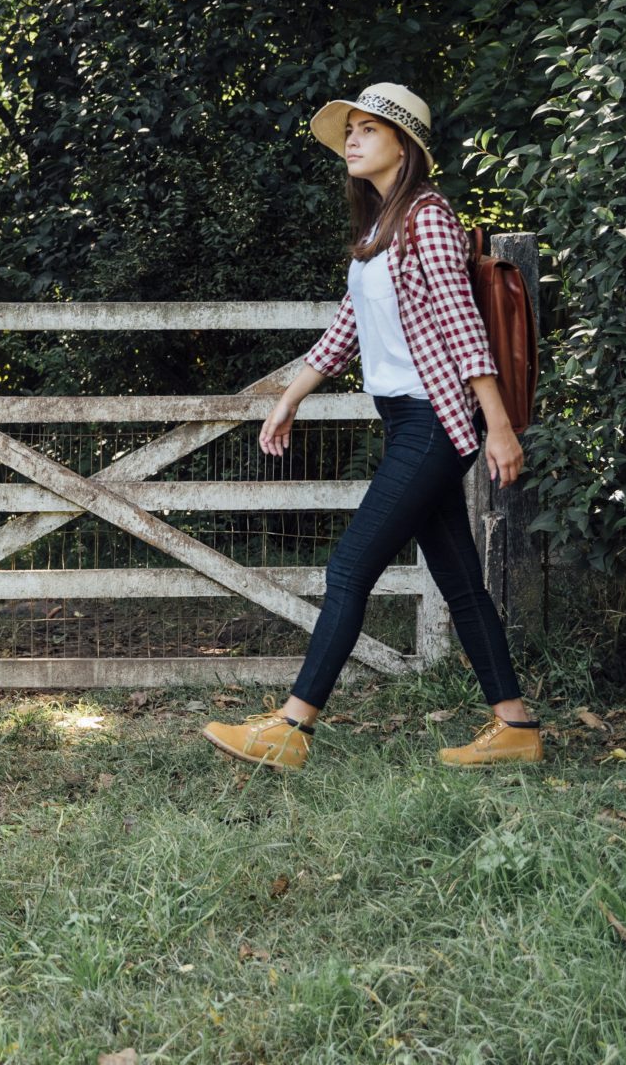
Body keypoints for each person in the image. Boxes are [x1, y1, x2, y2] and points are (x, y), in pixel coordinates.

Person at [201, 83, 538, 772]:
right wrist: (289, 397)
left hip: (436, 422)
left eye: (367, 130)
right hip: (406, 422)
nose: (351, 140)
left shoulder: (428, 218)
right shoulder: (380, 230)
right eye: (349, 130)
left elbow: (465, 330)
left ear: (404, 146)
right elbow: (347, 330)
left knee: (349, 564)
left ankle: (292, 727)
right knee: (460, 579)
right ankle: (516, 726)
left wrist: (498, 427)